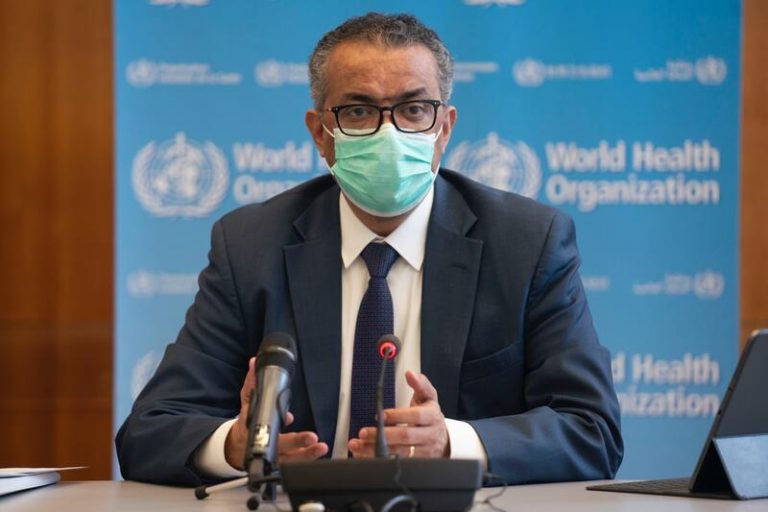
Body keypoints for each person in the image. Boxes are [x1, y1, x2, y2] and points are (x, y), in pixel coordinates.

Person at [116, 12, 623, 486]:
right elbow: (150, 431)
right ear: (320, 134)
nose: (389, 132)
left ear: (444, 128)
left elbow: (592, 431)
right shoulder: (251, 245)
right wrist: (236, 445)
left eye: (413, 109)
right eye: (358, 111)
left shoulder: (527, 243)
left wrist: (454, 443)